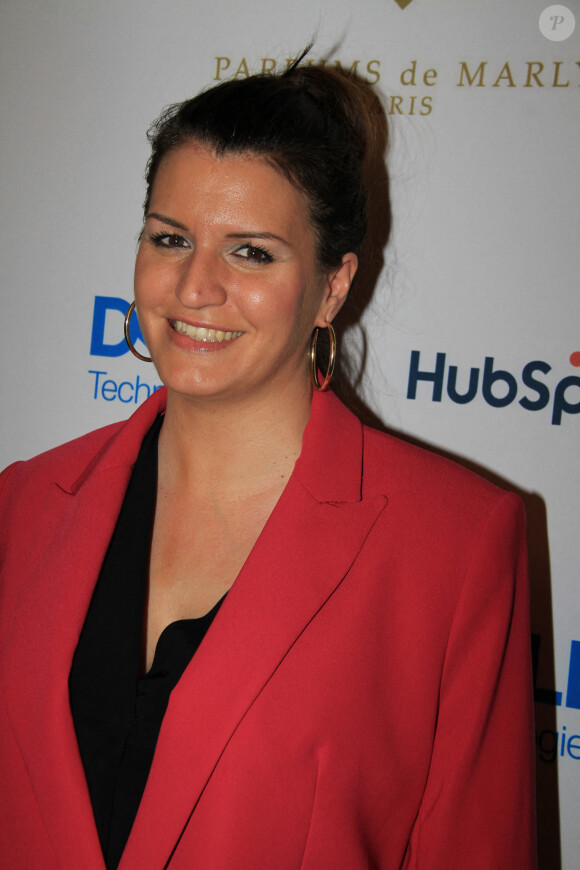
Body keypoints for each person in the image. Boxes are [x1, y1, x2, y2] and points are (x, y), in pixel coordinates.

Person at [0, 54, 536, 870]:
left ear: (331, 288)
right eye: (169, 238)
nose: (195, 286)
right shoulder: (24, 503)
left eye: (251, 253)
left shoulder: (455, 546)